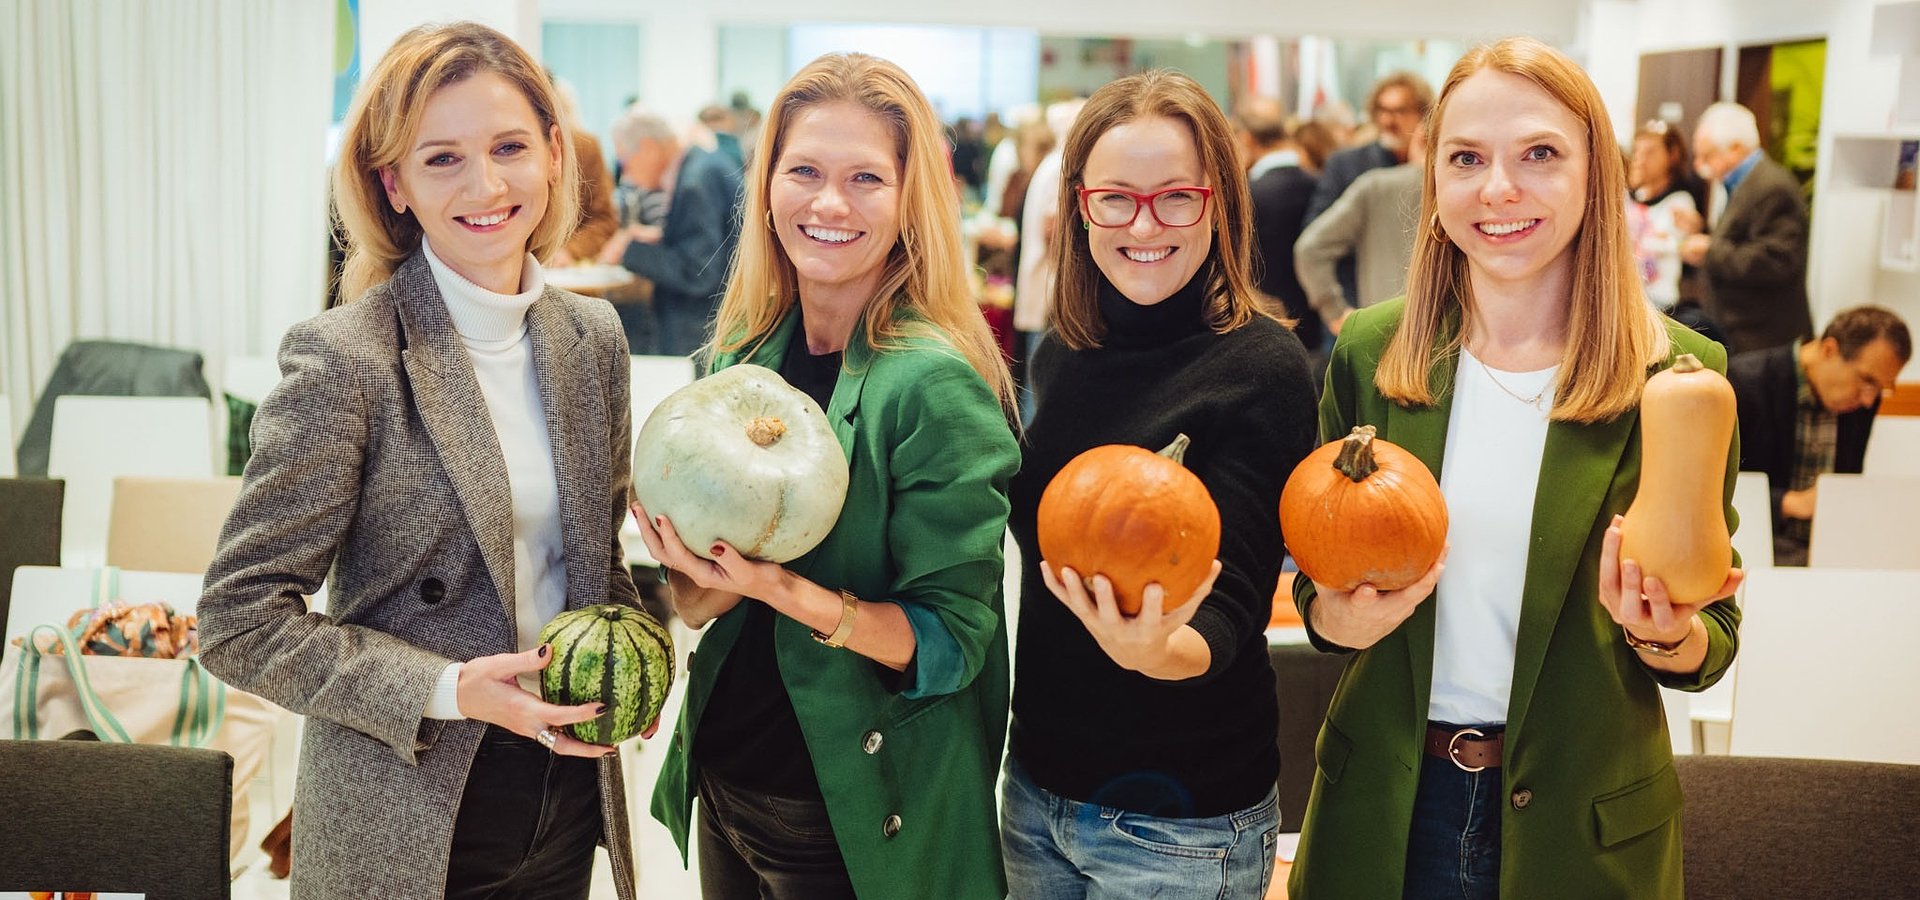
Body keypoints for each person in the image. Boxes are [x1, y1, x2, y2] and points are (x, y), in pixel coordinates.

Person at [1287, 38, 1743, 900]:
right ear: (1434, 184)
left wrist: (1666, 632)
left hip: (1582, 827)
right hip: (1388, 809)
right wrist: (1339, 619)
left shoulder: (1681, 376)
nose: (1499, 188)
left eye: (1539, 153)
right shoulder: (1370, 352)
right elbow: (1322, 574)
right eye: (1466, 158)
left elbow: (1713, 630)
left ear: (1594, 176)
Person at [196, 22, 644, 900]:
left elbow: (600, 566)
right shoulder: (347, 359)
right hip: (407, 801)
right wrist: (449, 688)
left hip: (564, 793)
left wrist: (637, 650)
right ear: (392, 183)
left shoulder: (593, 340)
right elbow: (238, 620)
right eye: (442, 159)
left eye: (510, 146)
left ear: (555, 153)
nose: (485, 185)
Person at [637, 52, 1021, 900]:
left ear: (909, 198)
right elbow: (702, 603)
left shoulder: (933, 384)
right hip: (729, 786)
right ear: (767, 183)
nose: (829, 203)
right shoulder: (743, 356)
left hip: (847, 814)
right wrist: (690, 570)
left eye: (865, 178)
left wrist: (785, 591)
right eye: (803, 170)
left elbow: (950, 645)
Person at [1002, 69, 1318, 900]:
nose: (1145, 225)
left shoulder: (1264, 366)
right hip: (1035, 789)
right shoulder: (1064, 351)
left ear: (1218, 203)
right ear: (1079, 205)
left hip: (1181, 825)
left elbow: (1234, 600)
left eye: (1176, 197)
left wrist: (1155, 653)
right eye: (1116, 198)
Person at [1729, 305, 1911, 566]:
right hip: (1754, 547)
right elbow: (1712, 490)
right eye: (1866, 380)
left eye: (1880, 388)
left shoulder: (1861, 401)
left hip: (1829, 547)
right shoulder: (1745, 383)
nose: (1869, 400)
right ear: (1829, 350)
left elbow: (1847, 478)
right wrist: (1790, 503)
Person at [599, 107, 746, 358]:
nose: (626, 175)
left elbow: (698, 272)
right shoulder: (702, 164)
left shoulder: (694, 182)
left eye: (624, 161)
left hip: (702, 334)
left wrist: (631, 251)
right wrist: (659, 237)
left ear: (648, 148)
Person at [1681, 101, 1814, 355]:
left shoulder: (1771, 186)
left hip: (1762, 336)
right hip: (1741, 329)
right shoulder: (1742, 183)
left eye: (1707, 155)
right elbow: (1742, 239)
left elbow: (1776, 261)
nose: (1700, 166)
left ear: (1735, 148)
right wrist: (1704, 231)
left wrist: (1710, 251)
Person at [1305, 72, 1435, 312]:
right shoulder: (1348, 164)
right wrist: (1337, 310)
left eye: (1400, 111)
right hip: (1361, 302)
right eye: (1382, 111)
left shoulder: (1438, 167)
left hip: (1425, 303)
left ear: (1423, 114)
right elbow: (1317, 237)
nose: (1389, 120)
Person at [1295, 125, 1427, 338]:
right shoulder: (1472, 190)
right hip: (1458, 337)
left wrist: (1336, 312)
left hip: (1383, 332)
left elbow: (1310, 248)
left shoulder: (1375, 185)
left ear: (1419, 137)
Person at [1237, 96, 1324, 362]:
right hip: (1315, 318)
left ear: (1248, 139)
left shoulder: (1248, 195)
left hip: (1265, 319)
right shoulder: (1318, 183)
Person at [1626, 119, 1707, 313]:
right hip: (1627, 295)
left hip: (1660, 303)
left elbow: (1669, 244)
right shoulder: (1630, 196)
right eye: (1638, 151)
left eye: (1651, 152)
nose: (1641, 159)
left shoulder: (1679, 202)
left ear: (1672, 156)